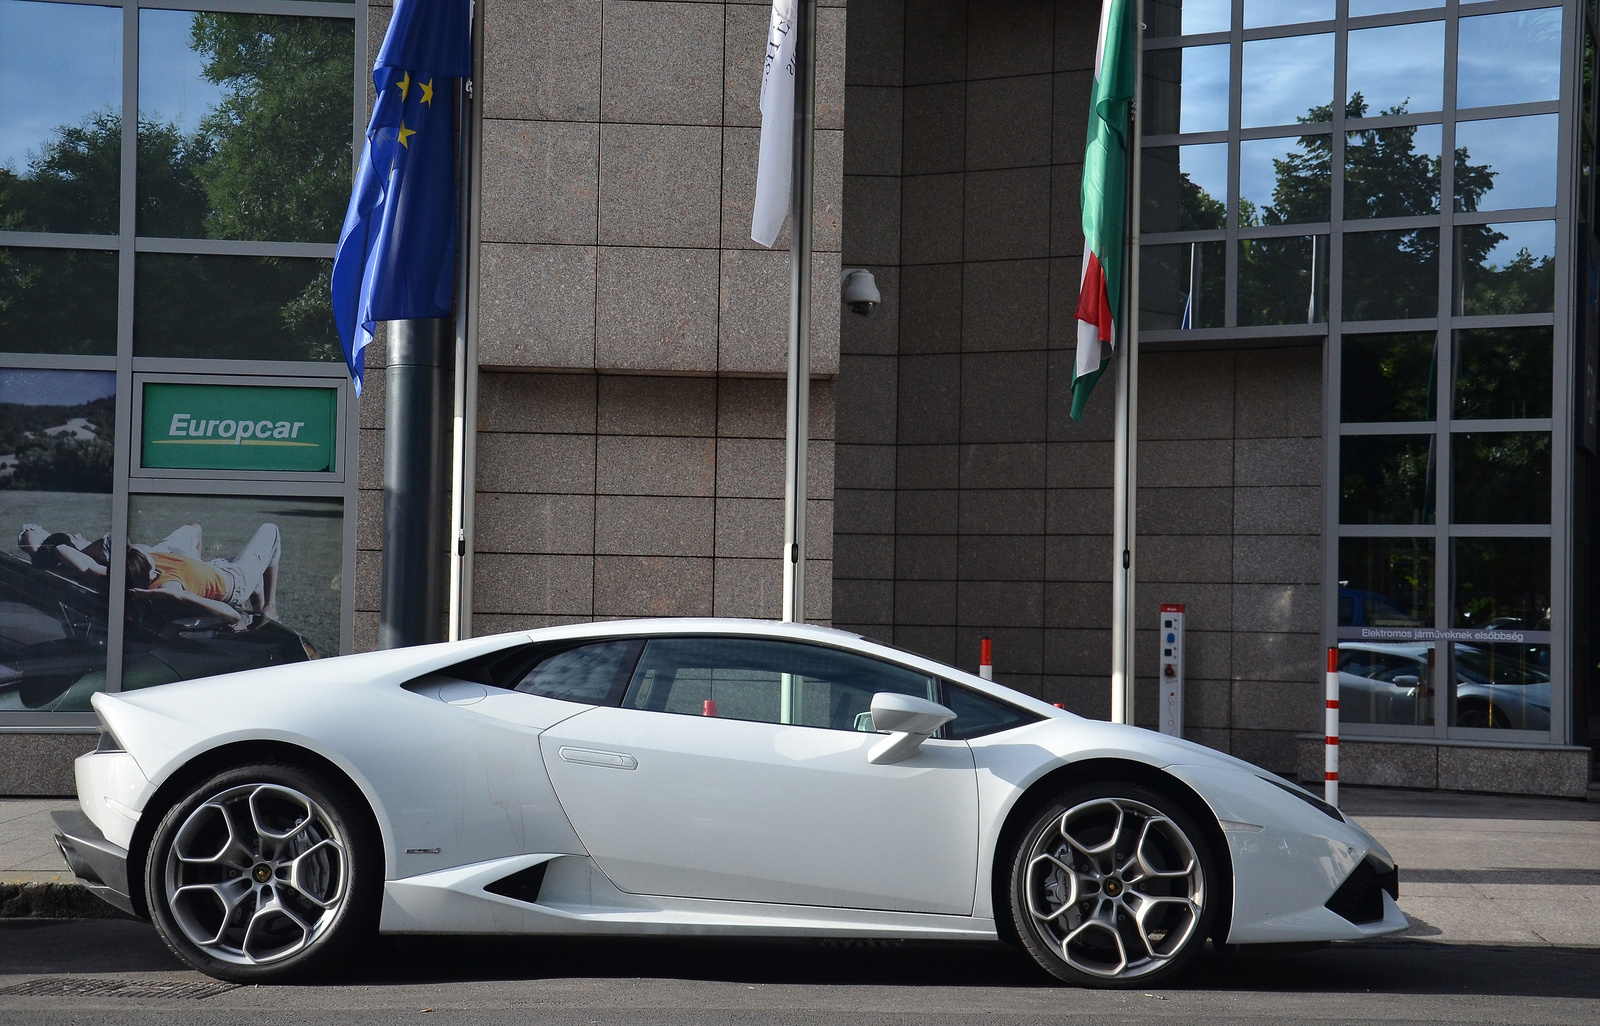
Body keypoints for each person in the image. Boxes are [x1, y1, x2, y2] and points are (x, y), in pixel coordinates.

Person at [126, 523, 282, 629]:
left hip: (213, 568)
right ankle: (270, 607)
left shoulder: (139, 559)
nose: (144, 549)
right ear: (149, 572)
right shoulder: (169, 587)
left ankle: (260, 619)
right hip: (234, 582)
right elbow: (232, 615)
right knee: (270, 530)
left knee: (194, 528)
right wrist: (177, 595)